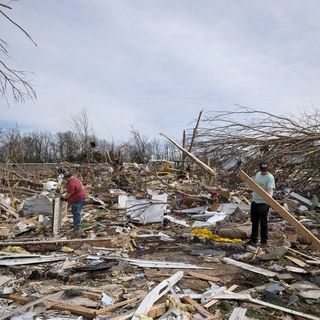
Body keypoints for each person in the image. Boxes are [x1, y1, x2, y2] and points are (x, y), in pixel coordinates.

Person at [248, 162, 275, 247]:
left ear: (267, 169)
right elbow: (254, 185)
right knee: (254, 221)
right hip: (255, 201)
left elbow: (270, 190)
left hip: (263, 203)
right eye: (262, 170)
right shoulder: (258, 174)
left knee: (263, 222)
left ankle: (264, 241)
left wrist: (268, 200)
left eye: (265, 170)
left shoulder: (270, 177)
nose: (263, 172)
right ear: (260, 169)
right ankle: (253, 240)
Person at [61, 170, 87, 237]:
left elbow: (69, 193)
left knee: (76, 213)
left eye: (65, 179)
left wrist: (64, 198)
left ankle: (77, 229)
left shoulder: (71, 183)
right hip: (82, 198)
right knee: (77, 213)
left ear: (67, 178)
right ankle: (77, 226)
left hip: (78, 199)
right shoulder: (76, 180)